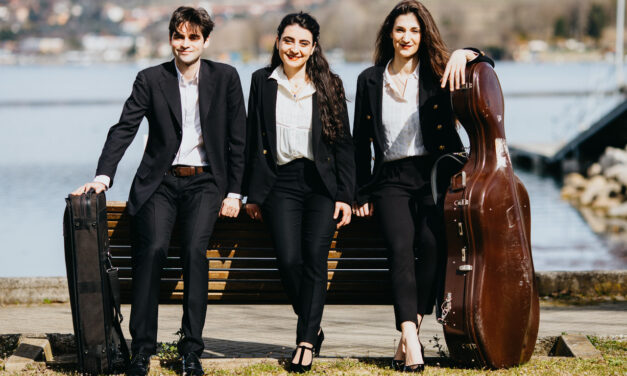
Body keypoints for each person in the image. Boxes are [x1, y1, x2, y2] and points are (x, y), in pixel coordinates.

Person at [71, 6, 246, 376]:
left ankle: (191, 350)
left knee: (195, 250)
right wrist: (103, 176)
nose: (185, 43)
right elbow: (124, 128)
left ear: (205, 40)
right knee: (151, 250)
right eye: (178, 36)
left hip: (206, 181)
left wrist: (234, 192)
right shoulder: (151, 79)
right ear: (170, 39)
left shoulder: (226, 77)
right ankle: (142, 350)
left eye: (193, 37)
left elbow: (237, 140)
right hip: (160, 182)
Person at [352, 0, 494, 372]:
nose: (406, 37)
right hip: (390, 180)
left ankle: (407, 335)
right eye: (400, 30)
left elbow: (487, 68)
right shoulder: (369, 79)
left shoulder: (439, 71)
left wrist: (468, 52)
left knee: (432, 247)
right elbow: (359, 142)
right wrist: (361, 192)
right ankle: (412, 340)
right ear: (389, 34)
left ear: (423, 34)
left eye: (414, 30)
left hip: (434, 176)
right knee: (400, 249)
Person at [243, 12, 355, 373]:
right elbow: (251, 139)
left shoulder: (329, 83)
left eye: (303, 43)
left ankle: (305, 341)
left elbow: (344, 146)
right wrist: (252, 194)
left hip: (320, 184)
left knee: (314, 257)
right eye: (289, 41)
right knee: (289, 260)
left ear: (313, 47)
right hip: (279, 183)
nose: (295, 48)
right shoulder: (261, 82)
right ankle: (313, 322)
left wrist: (345, 195)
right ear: (278, 42)